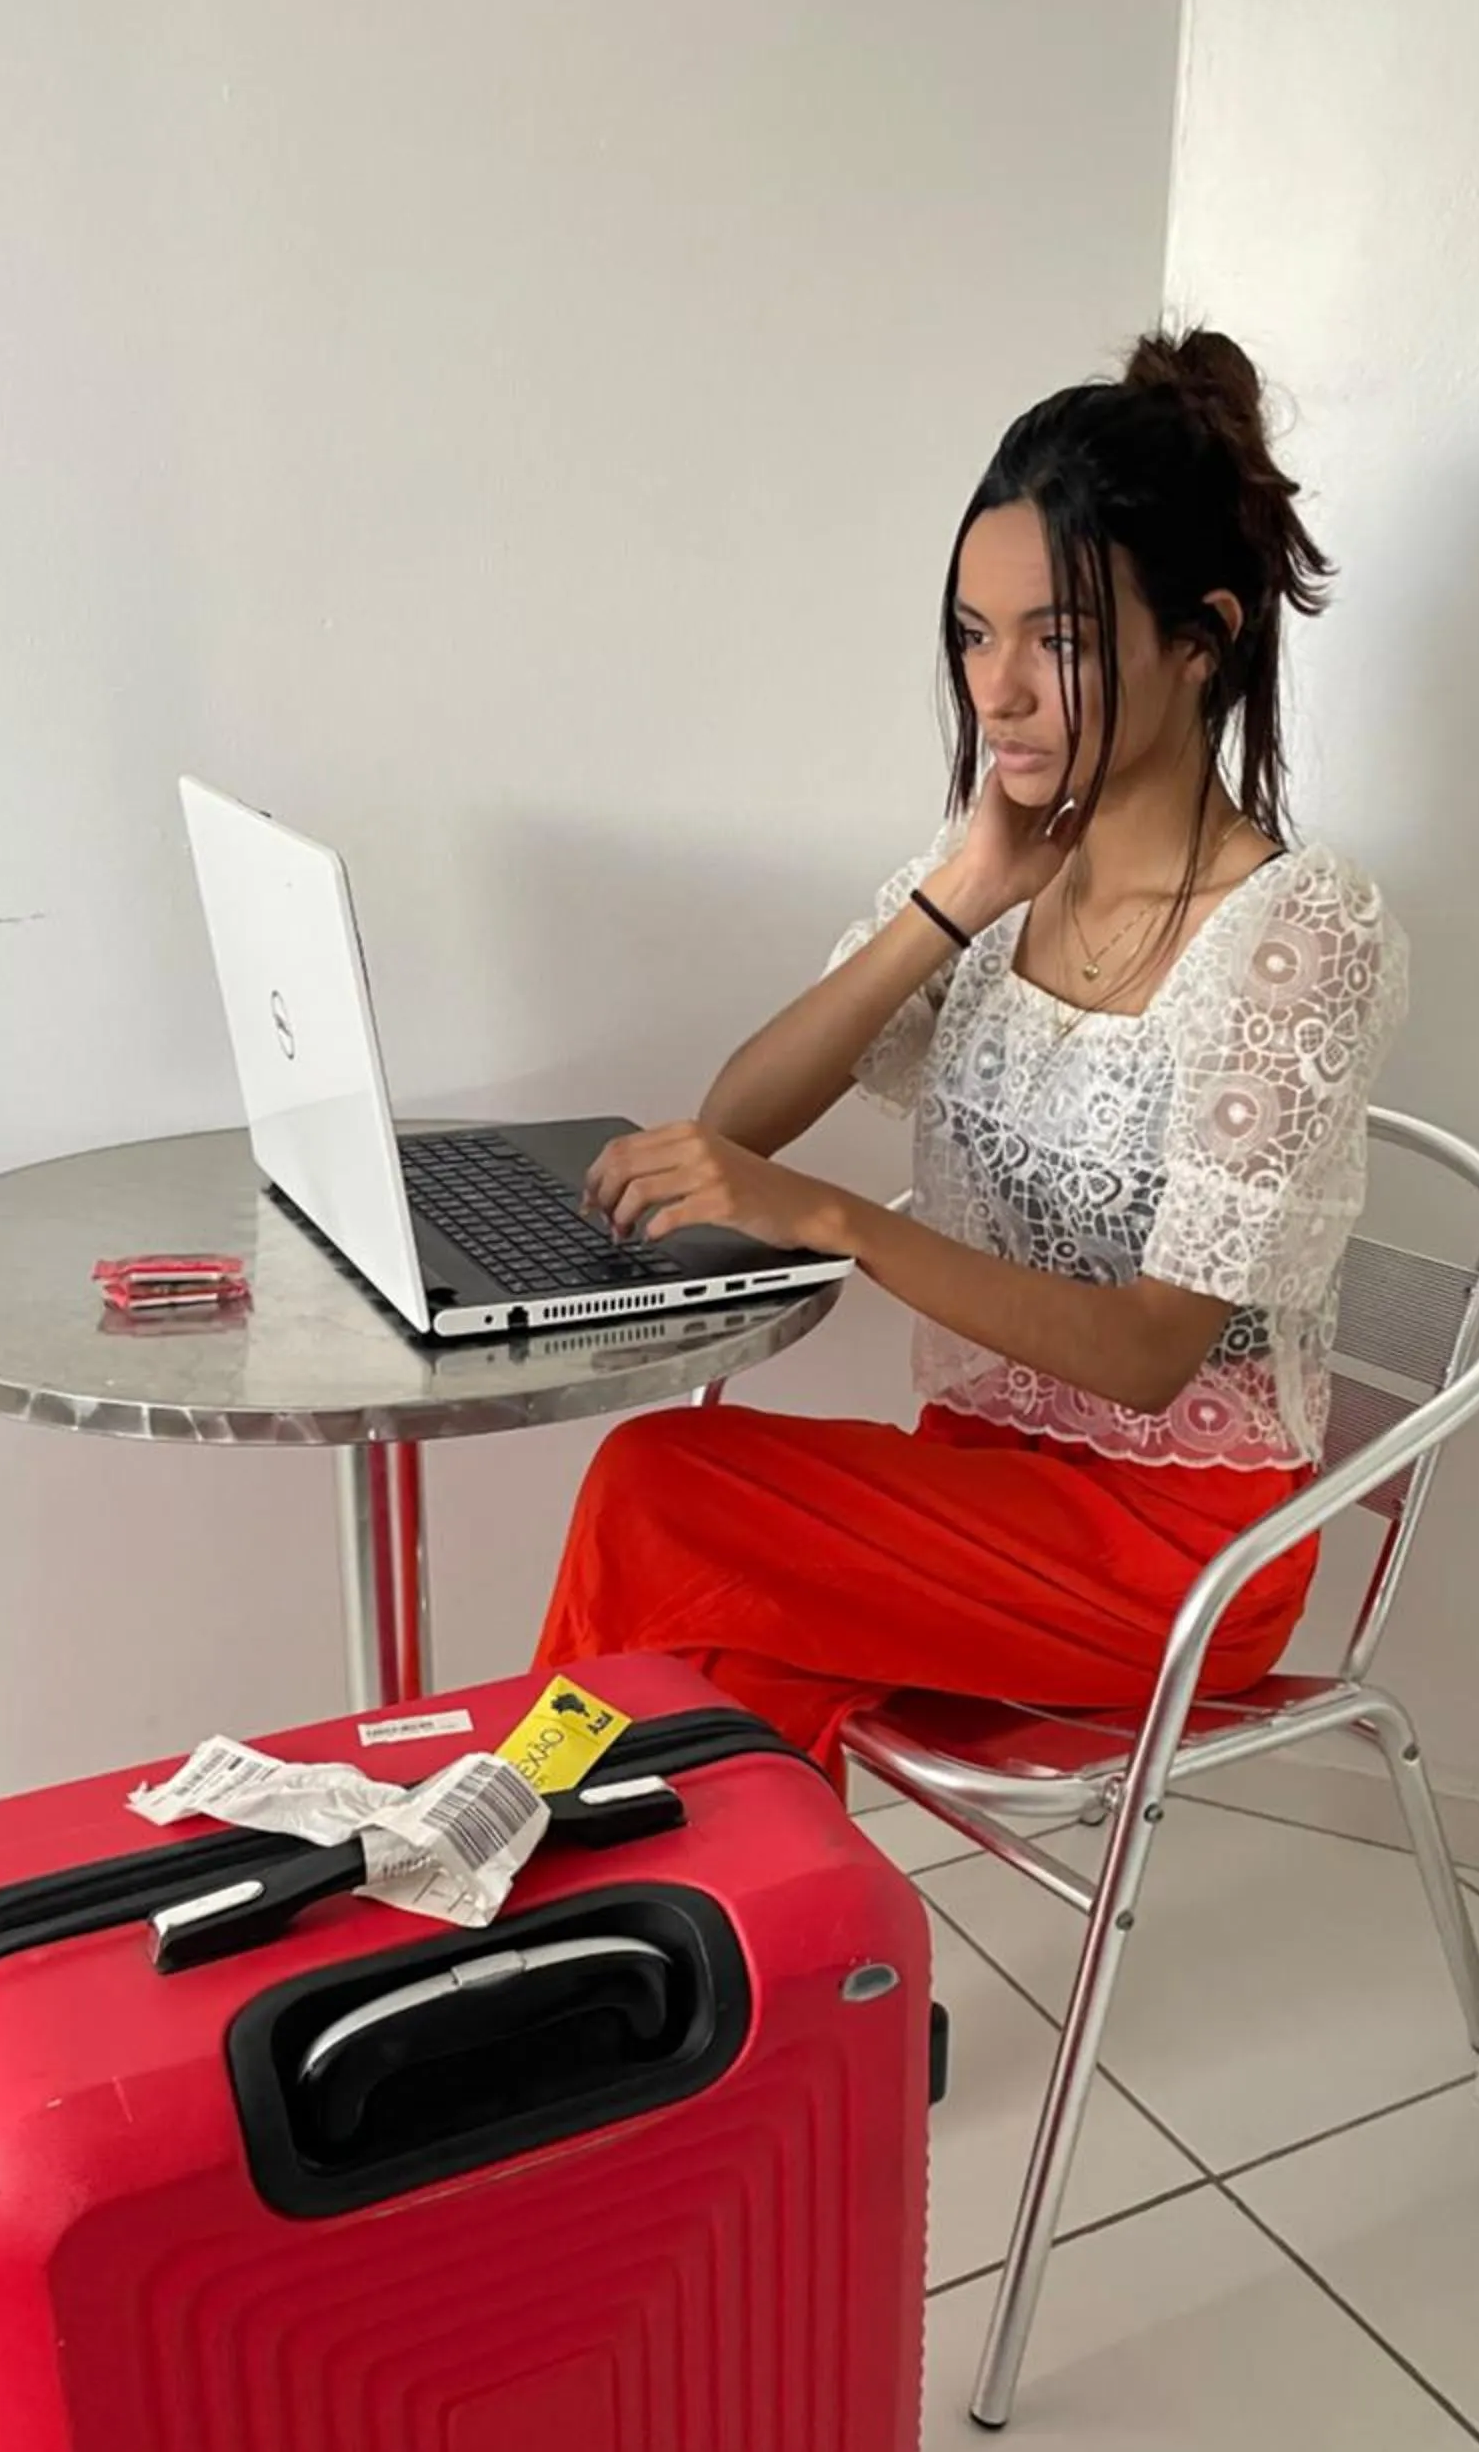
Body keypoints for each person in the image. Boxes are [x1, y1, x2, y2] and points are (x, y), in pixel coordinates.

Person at [536, 326, 1407, 1785]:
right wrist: (956, 899)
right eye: (970, 632)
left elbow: (1147, 1355)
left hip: (1177, 1563)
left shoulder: (1298, 936)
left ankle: (515, 1901)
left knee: (659, 1490)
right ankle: (730, 1992)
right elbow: (735, 1122)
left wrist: (830, 1220)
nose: (993, 689)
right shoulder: (994, 890)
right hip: (976, 1493)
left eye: (1054, 640)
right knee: (708, 1674)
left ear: (1201, 638)